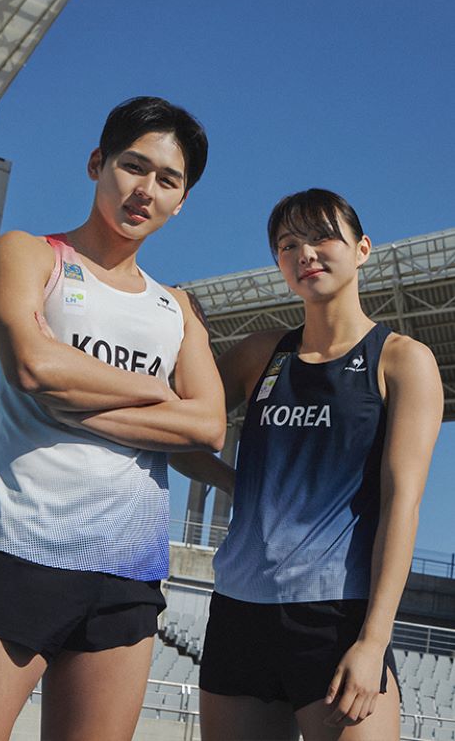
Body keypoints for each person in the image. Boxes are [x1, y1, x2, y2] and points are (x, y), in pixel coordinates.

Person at [0, 96, 226, 741]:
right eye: (134, 166)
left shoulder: (176, 308)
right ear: (97, 163)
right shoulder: (30, 254)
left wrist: (73, 397)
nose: (147, 189)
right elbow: (33, 367)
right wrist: (158, 392)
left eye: (168, 180)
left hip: (127, 573)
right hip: (19, 548)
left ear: (182, 200)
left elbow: (208, 426)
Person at [171, 188, 443, 741]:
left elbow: (402, 504)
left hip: (336, 615)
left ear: (362, 249)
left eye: (321, 237)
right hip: (238, 610)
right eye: (288, 244)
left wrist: (373, 641)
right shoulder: (262, 354)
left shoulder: (401, 360)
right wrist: (236, 482)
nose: (305, 253)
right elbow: (178, 433)